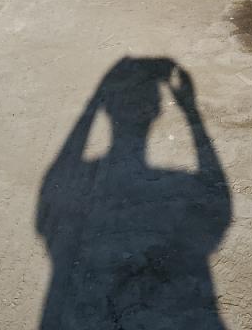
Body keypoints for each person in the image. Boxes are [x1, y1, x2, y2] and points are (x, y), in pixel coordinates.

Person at [37, 57, 231, 329]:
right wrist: (190, 110)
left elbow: (55, 182)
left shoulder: (86, 179)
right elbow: (218, 204)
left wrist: (92, 105)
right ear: (156, 112)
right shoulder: (177, 185)